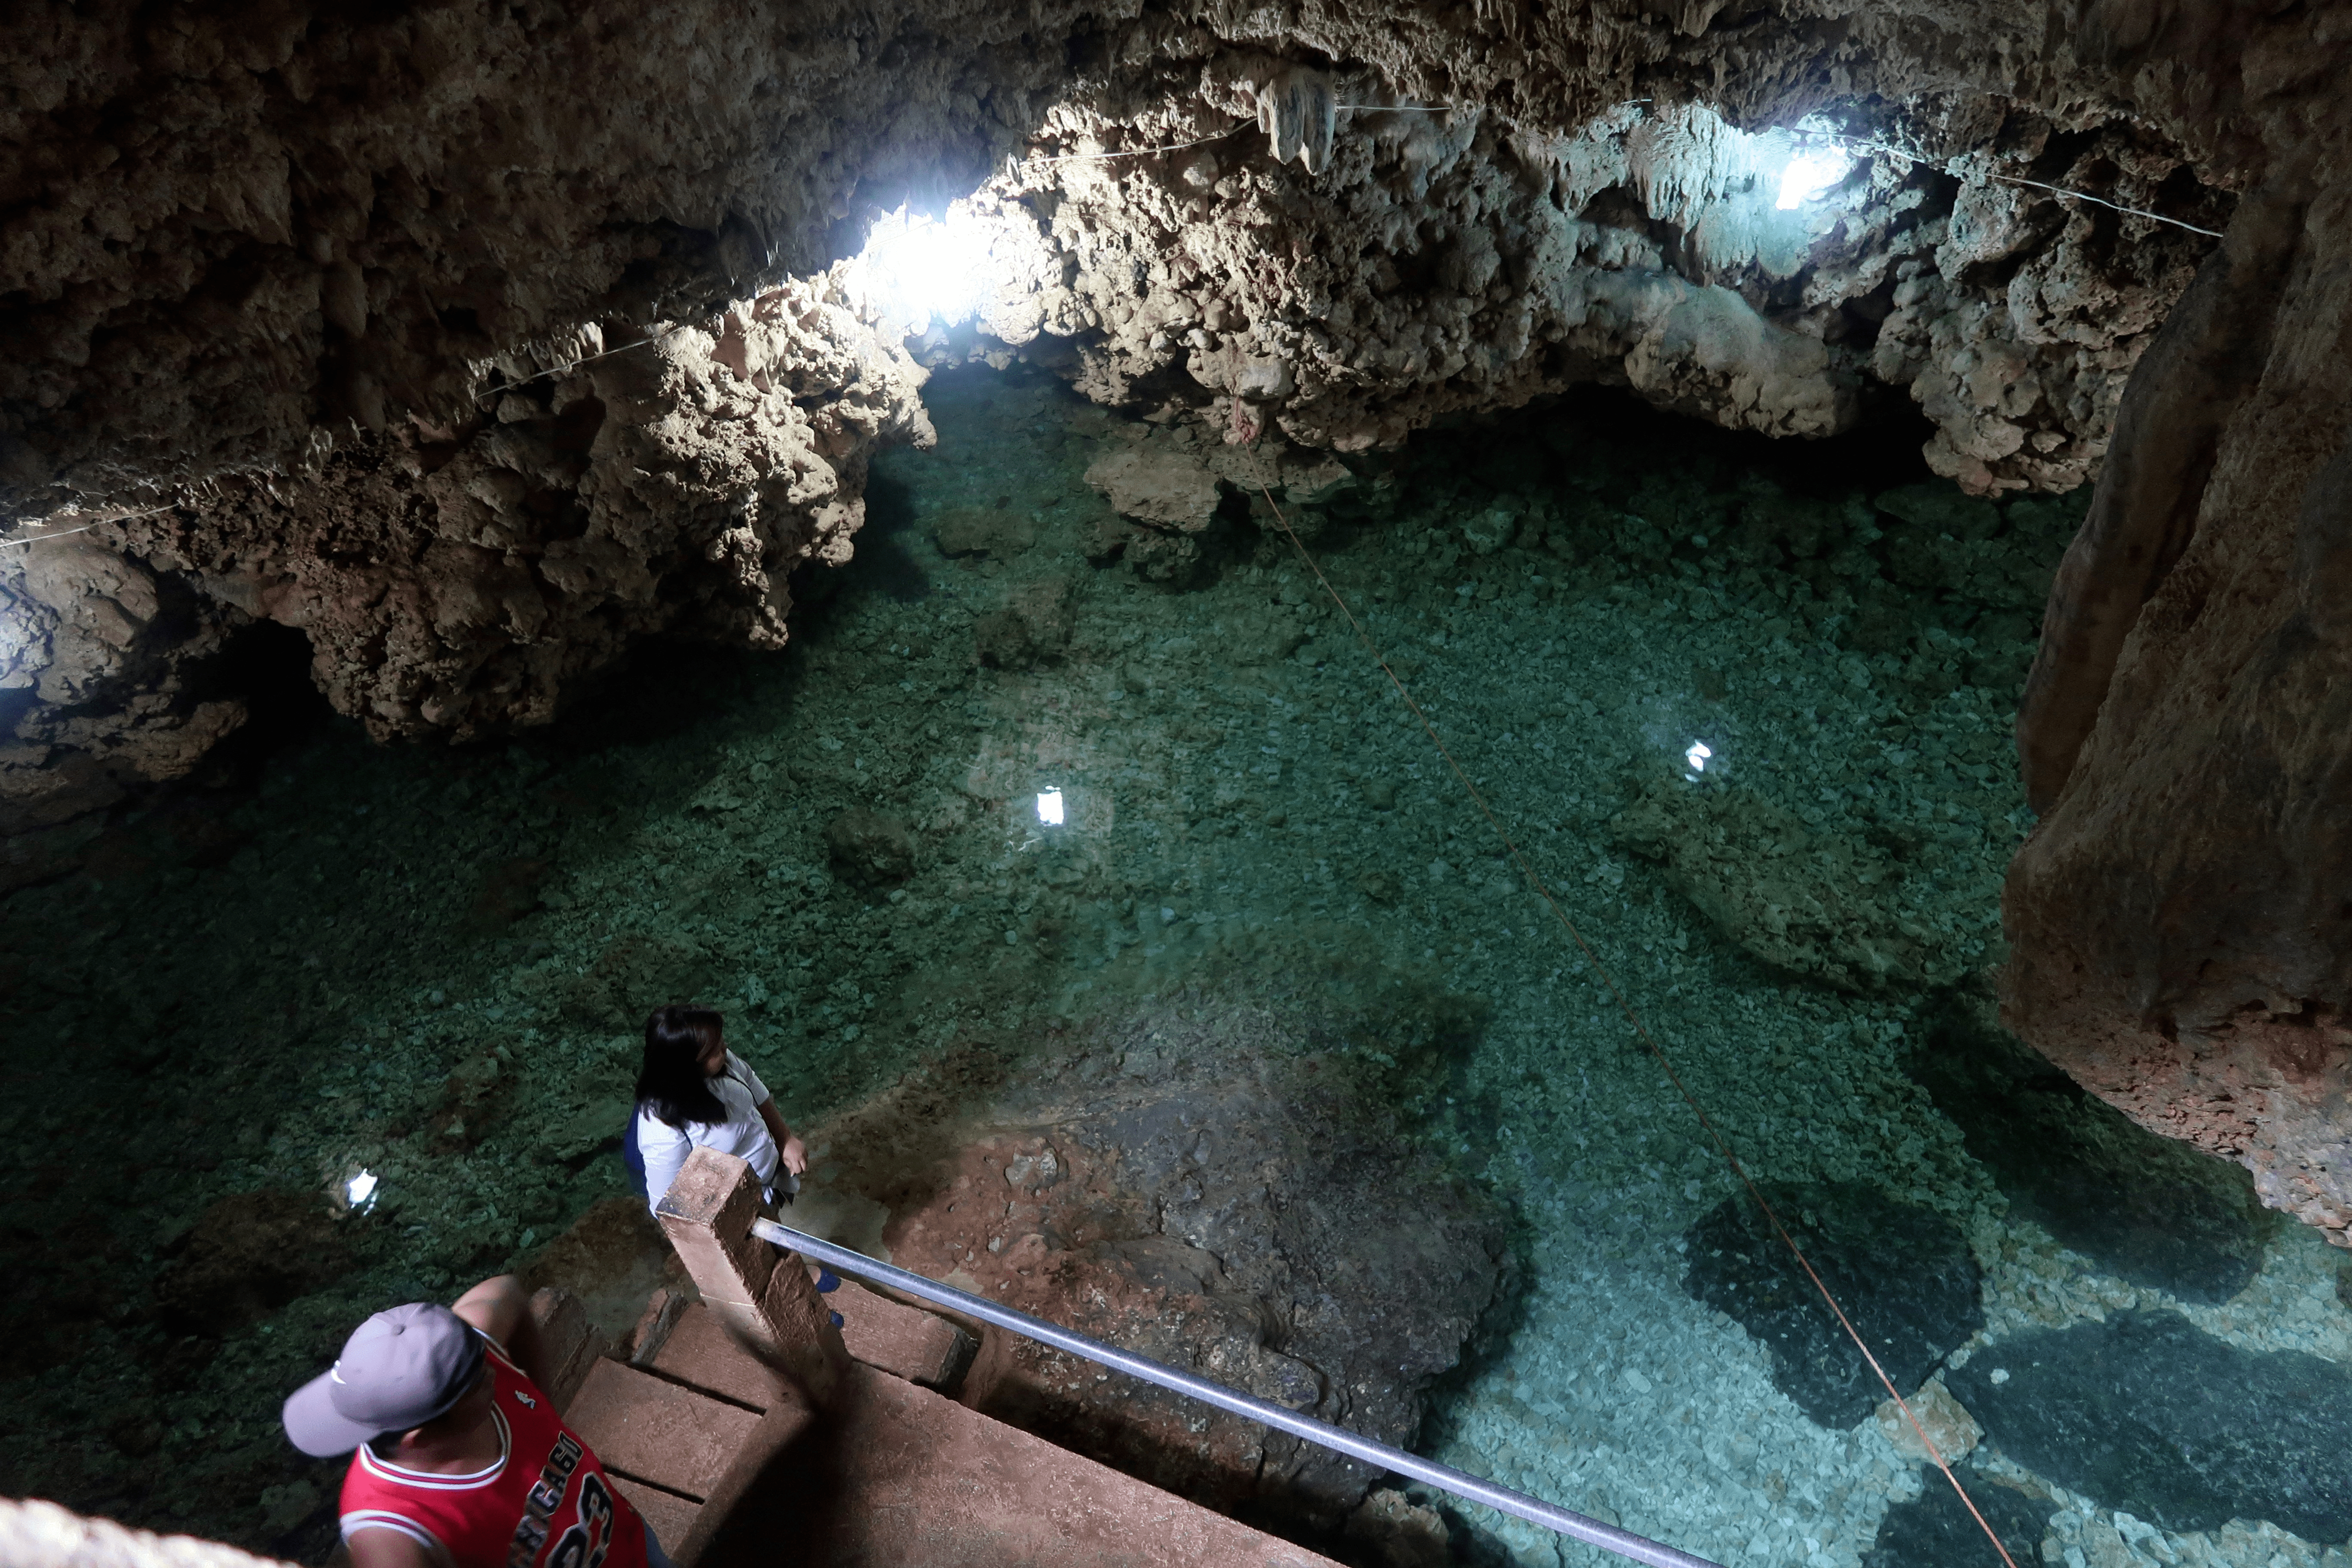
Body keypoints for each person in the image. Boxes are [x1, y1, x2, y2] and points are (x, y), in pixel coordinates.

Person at [281, 1274, 669, 1568]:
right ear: (416, 1438)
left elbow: (507, 1291)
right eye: (479, 1380)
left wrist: (543, 1401)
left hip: (630, 1540)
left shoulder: (469, 1356)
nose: (492, 1366)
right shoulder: (392, 1534)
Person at [631, 1004, 808, 1216]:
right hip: (740, 1213)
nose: (724, 1048)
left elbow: (751, 1081)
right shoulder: (664, 1130)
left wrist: (784, 1139)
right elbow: (667, 1208)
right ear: (686, 1066)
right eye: (715, 1050)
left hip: (767, 1187)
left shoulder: (719, 1058)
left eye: (720, 1042)